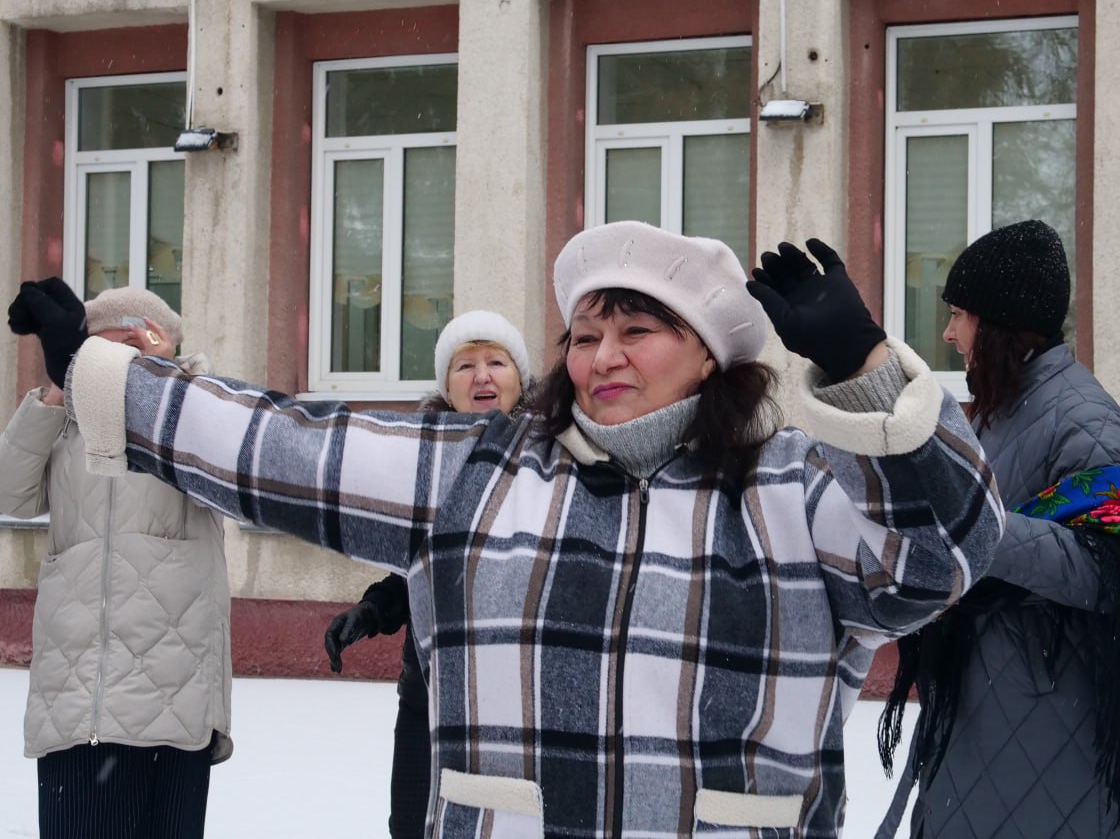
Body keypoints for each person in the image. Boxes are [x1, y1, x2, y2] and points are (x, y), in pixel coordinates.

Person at [43, 220, 1002, 837]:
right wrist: (103, 373)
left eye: (637, 331)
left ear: (710, 356)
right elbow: (284, 446)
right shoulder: (480, 470)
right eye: (585, 335)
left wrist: (866, 371)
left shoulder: (792, 488)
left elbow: (946, 554)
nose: (603, 357)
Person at [875, 220, 1120, 838]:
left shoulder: (1084, 418)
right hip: (995, 712)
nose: (949, 334)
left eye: (958, 315)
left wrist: (980, 530)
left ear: (1001, 324)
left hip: (1051, 731)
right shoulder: (1005, 404)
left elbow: (1113, 568)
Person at [1, 281, 232, 839]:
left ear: (145, 342)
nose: (89, 366)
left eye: (100, 351)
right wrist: (56, 392)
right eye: (80, 354)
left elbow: (228, 480)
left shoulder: (197, 410)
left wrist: (159, 378)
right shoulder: (68, 425)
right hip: (79, 702)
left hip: (174, 703)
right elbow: (10, 493)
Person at [323, 309, 533, 839]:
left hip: (517, 710)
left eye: (496, 362)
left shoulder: (547, 462)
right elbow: (411, 568)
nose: (482, 376)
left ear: (519, 377)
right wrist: (372, 610)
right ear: (446, 385)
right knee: (413, 827)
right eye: (465, 365)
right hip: (428, 703)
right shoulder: (421, 460)